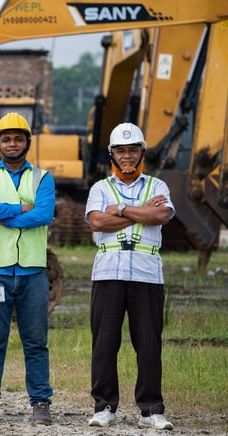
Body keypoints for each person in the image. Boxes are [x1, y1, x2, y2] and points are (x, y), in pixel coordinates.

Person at [85, 123, 175, 430]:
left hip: (147, 274)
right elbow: (97, 222)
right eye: (121, 151)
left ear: (142, 153)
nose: (127, 156)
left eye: (132, 150)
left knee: (149, 342)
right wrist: (139, 212)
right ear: (112, 154)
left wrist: (121, 209)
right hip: (108, 271)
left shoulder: (158, 187)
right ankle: (104, 406)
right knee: (105, 343)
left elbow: (161, 215)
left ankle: (151, 409)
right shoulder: (100, 188)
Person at [0, 112, 55, 426]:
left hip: (33, 271)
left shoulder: (42, 177)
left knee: (35, 342)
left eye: (18, 138)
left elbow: (44, 214)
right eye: (6, 138)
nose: (12, 143)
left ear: (27, 143)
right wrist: (21, 209)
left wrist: (1, 215)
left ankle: (41, 402)